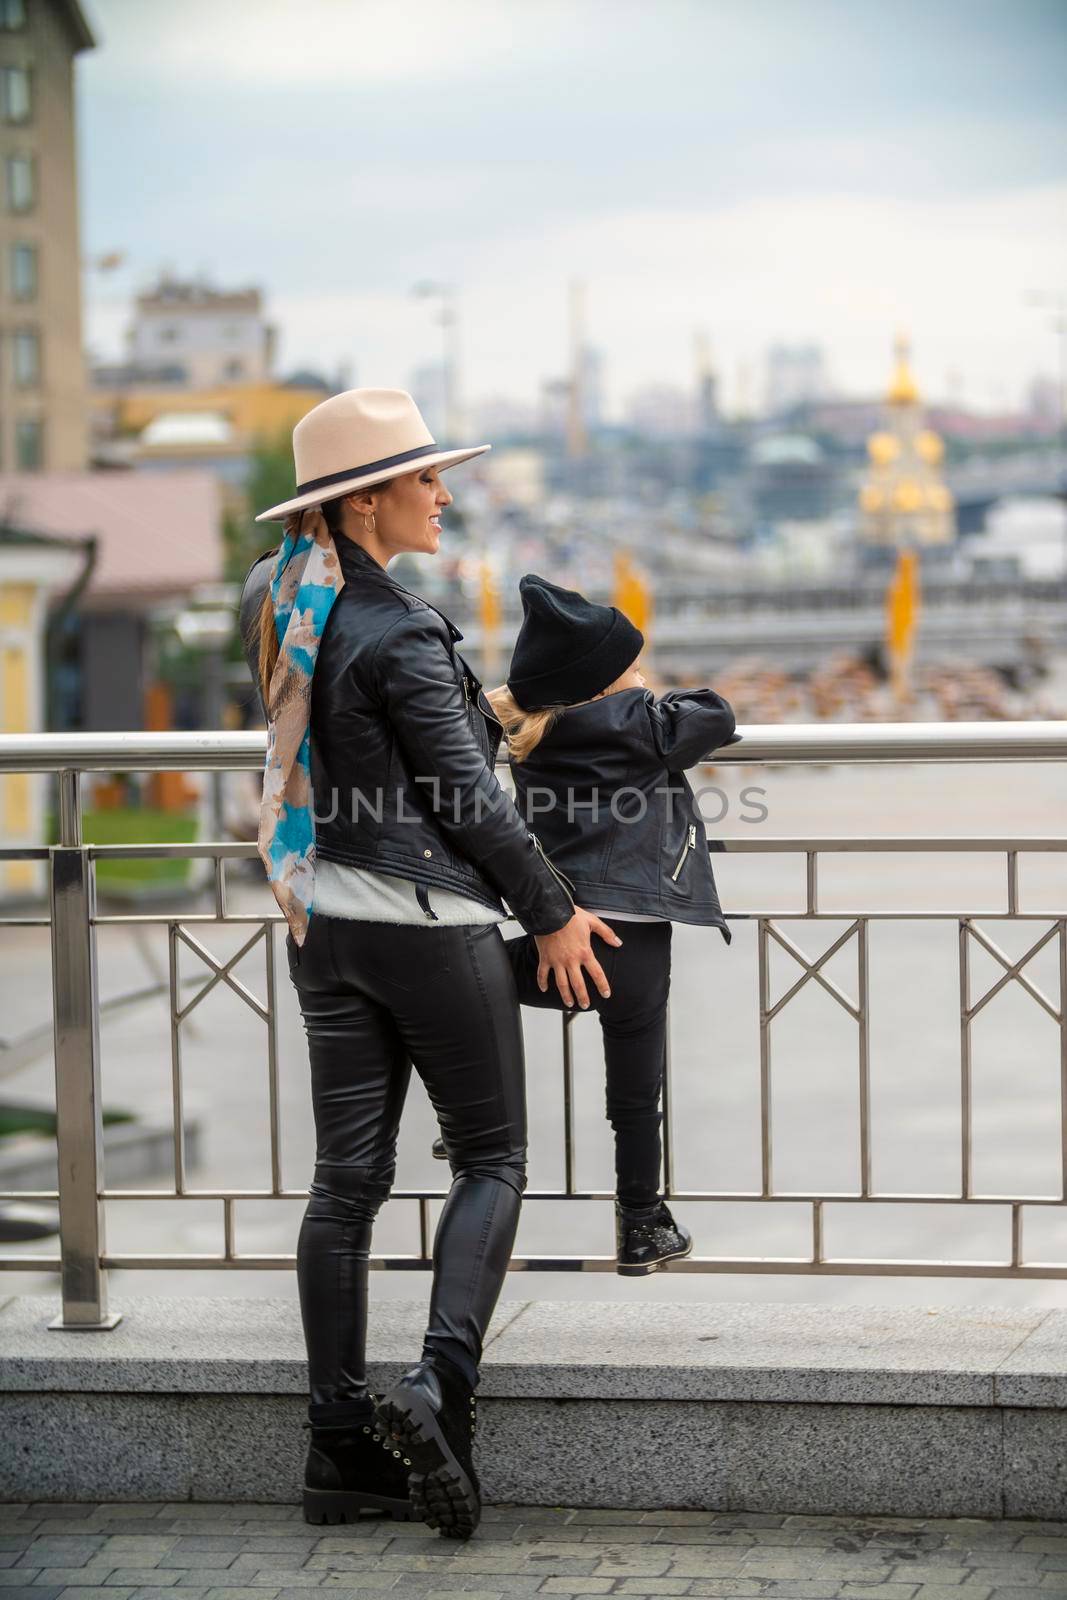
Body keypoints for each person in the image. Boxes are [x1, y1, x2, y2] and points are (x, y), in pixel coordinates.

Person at [238, 389, 621, 1540]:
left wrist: (482, 705)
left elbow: (359, 745)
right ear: (367, 498)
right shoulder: (401, 625)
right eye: (425, 478)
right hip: (423, 921)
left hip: (320, 918)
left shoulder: (278, 595)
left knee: (344, 1180)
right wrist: (552, 912)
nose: (445, 494)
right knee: (492, 1156)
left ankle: (336, 1448)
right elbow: (462, 800)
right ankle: (438, 1388)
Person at [433, 574, 737, 1274]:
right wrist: (645, 693)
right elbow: (713, 714)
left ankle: (463, 1121)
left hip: (557, 936)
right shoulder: (638, 723)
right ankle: (640, 1225)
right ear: (605, 680)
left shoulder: (530, 737)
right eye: (627, 662)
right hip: (629, 949)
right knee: (635, 1095)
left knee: (451, 982)